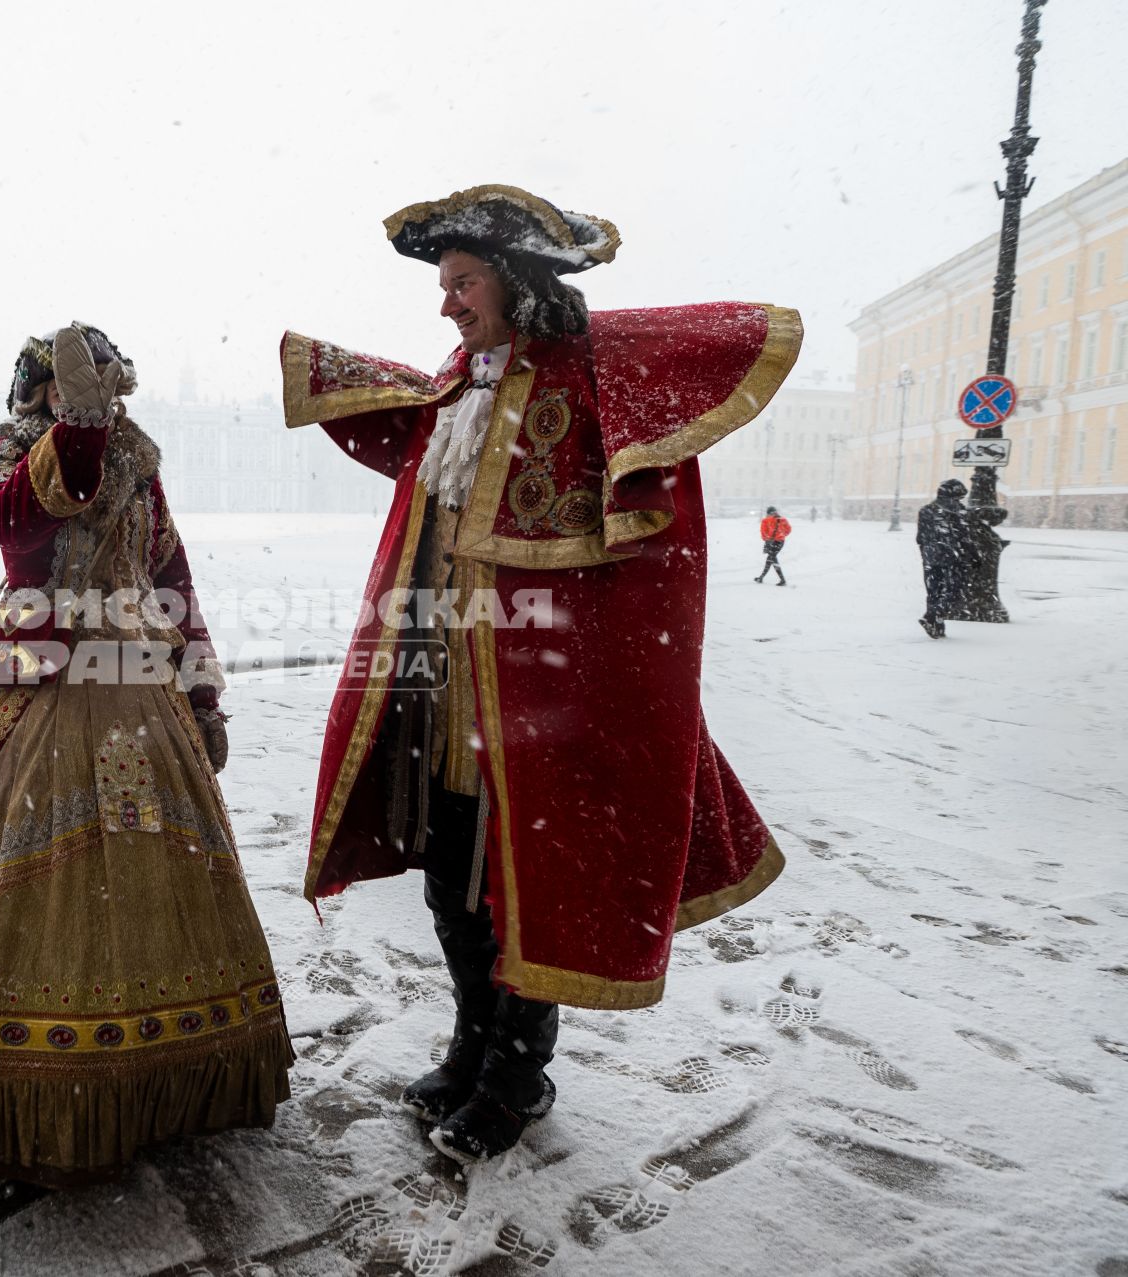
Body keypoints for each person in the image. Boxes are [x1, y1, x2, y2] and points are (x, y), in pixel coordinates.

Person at [281, 184, 796, 1164]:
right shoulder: (460, 382)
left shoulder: (588, 385)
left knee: (526, 891)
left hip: (535, 714)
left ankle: (518, 1072)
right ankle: (473, 1042)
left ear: (518, 283)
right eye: (445, 285)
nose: (448, 304)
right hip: (441, 692)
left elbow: (646, 540)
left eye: (464, 282)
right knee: (451, 884)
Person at [0, 324, 291, 1188]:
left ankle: (161, 1082)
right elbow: (19, 534)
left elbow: (172, 581)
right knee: (12, 850)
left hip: (135, 679)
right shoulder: (14, 456)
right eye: (61, 389)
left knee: (150, 862)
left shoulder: (139, 465)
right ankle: (23, 1087)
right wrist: (72, 430)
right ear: (38, 394)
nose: (79, 403)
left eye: (91, 391)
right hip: (32, 675)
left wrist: (201, 692)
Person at [916, 479, 970, 638]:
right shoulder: (958, 513)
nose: (960, 501)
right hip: (952, 556)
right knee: (954, 591)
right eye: (959, 498)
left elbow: (921, 537)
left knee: (934, 591)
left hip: (931, 556)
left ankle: (937, 626)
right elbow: (964, 537)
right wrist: (970, 555)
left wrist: (926, 553)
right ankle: (932, 617)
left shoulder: (926, 510)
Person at [755, 506, 790, 585]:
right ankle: (761, 578)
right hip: (780, 542)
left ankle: (782, 580)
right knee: (771, 559)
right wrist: (782, 535)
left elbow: (763, 532)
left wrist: (767, 539)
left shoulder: (766, 520)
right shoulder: (782, 519)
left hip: (771, 542)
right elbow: (788, 529)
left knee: (771, 559)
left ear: (768, 513)